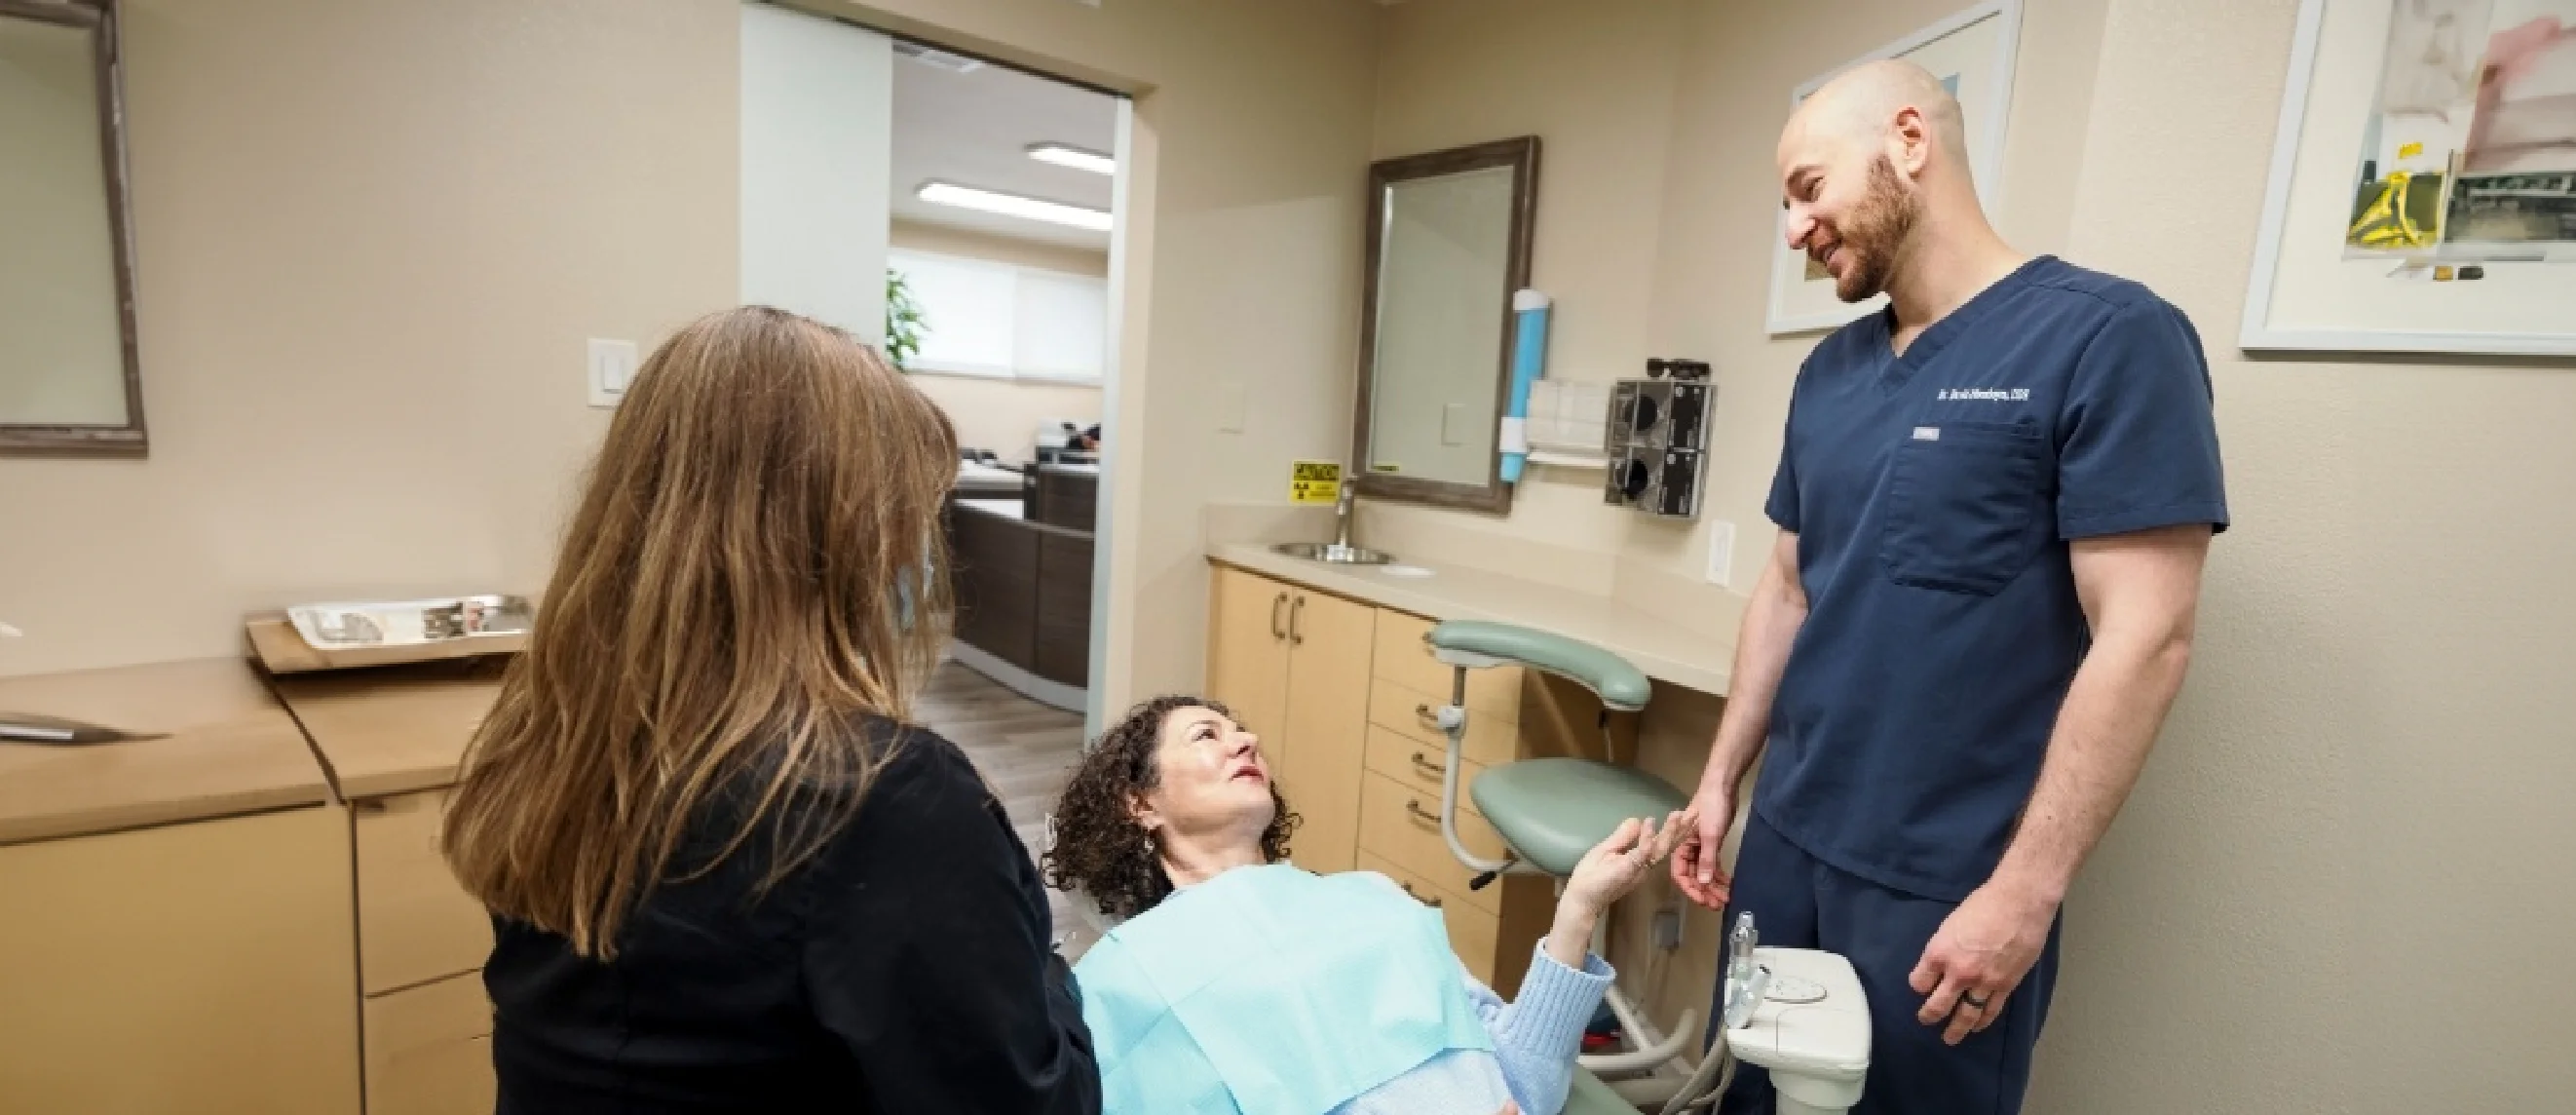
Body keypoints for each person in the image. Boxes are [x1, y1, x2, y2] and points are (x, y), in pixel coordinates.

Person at [1667, 58, 2227, 1114]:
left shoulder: (2106, 338)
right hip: (1787, 842)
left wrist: (2024, 891)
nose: (1793, 231)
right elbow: (1787, 589)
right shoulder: (1829, 373)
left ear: (1908, 141)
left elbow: (2144, 639)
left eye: (1806, 188)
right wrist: (1720, 783)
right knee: (1749, 1101)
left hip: (1940, 879)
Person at [440, 306, 1099, 1114]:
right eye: (903, 520)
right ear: (839, 536)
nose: (911, 555)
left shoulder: (555, 733)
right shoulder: (882, 800)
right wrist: (1043, 953)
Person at [1044, 695, 1694, 1115]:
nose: (1246, 742)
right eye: (1206, 735)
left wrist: (1578, 909)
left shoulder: (1372, 903)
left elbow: (1528, 1085)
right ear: (1141, 803)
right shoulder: (1123, 980)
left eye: (1244, 731)